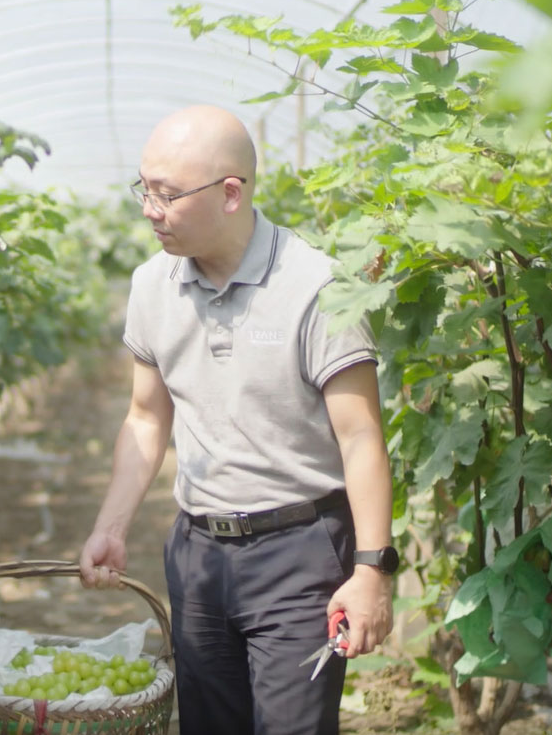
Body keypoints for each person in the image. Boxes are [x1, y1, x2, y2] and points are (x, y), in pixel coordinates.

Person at [77, 105, 396, 735]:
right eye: (144, 188)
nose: (149, 208)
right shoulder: (151, 286)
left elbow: (361, 439)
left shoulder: (317, 288)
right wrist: (111, 525)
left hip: (299, 555)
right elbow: (146, 417)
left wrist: (370, 571)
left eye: (166, 194)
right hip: (197, 554)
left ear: (230, 193)